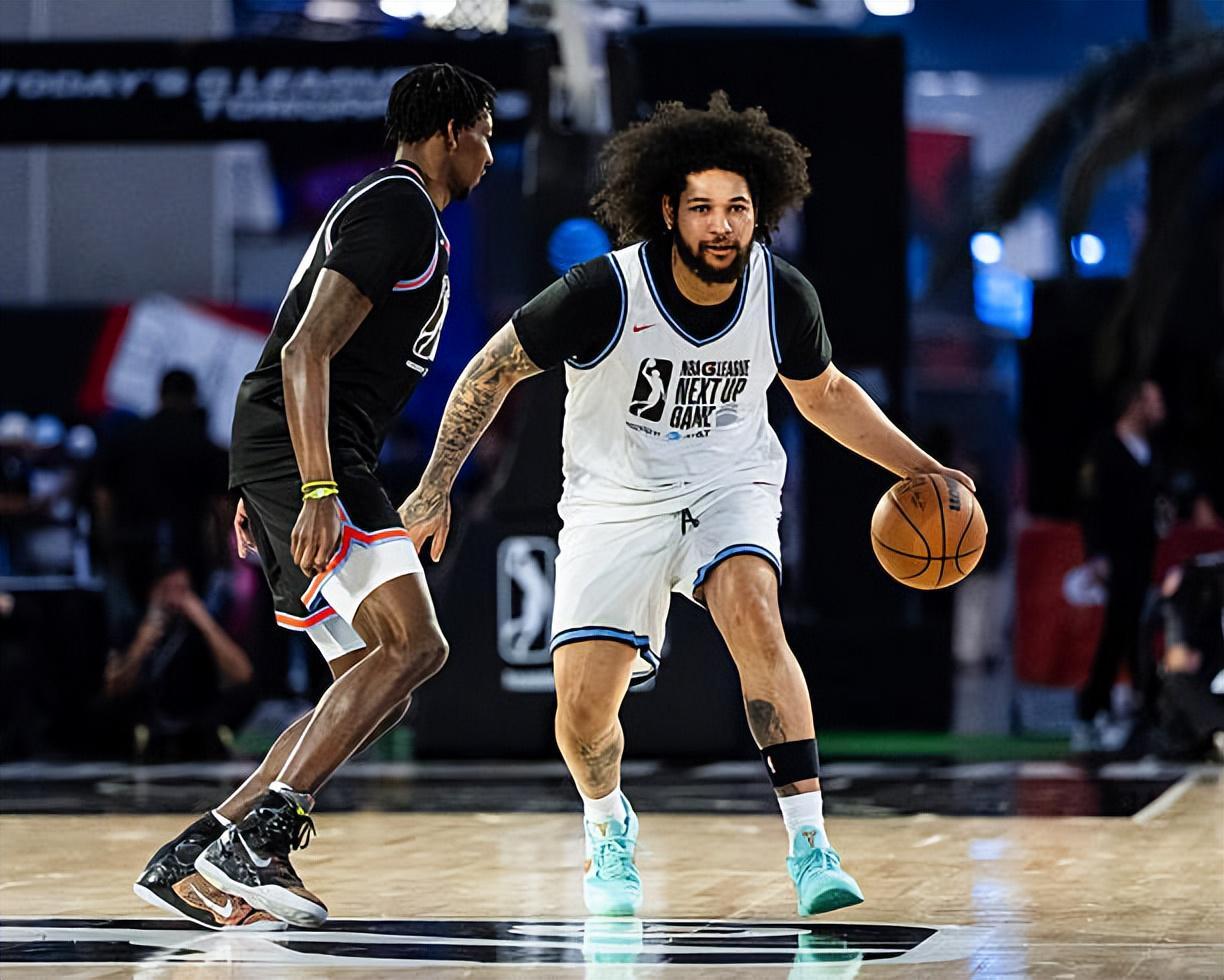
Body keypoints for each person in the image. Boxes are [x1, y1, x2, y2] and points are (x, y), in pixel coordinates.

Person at [400, 93, 973, 916]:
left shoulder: (781, 293)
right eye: (703, 207)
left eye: (737, 208)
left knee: (756, 615)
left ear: (759, 213)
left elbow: (825, 394)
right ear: (668, 211)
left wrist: (923, 469)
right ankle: (608, 825)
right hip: (614, 502)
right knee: (583, 712)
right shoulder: (604, 291)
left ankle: (811, 845)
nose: (721, 225)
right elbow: (490, 370)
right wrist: (434, 487)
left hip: (726, 485)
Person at [133, 63, 496, 930]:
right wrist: (316, 485)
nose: (489, 153)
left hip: (290, 452)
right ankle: (259, 842)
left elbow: (288, 352)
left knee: (373, 681)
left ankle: (196, 853)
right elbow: (303, 351)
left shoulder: (393, 209)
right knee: (417, 645)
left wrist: (266, 478)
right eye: (485, 134)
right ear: (452, 131)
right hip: (316, 457)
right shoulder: (399, 206)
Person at [1073, 379, 1165, 751]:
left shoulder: (1151, 449)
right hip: (1115, 555)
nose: (1160, 408)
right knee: (1118, 630)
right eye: (1153, 400)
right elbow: (1089, 503)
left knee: (1135, 632)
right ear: (1135, 404)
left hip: (1143, 555)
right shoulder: (1106, 447)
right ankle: (1092, 710)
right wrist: (1096, 553)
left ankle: (1141, 712)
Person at [99, 566, 256, 761]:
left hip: (198, 730)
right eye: (167, 590)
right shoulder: (131, 627)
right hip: (147, 732)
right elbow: (112, 689)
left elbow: (243, 675)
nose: (174, 599)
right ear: (153, 592)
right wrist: (140, 645)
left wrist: (203, 620)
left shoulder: (204, 630)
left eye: (182, 591)